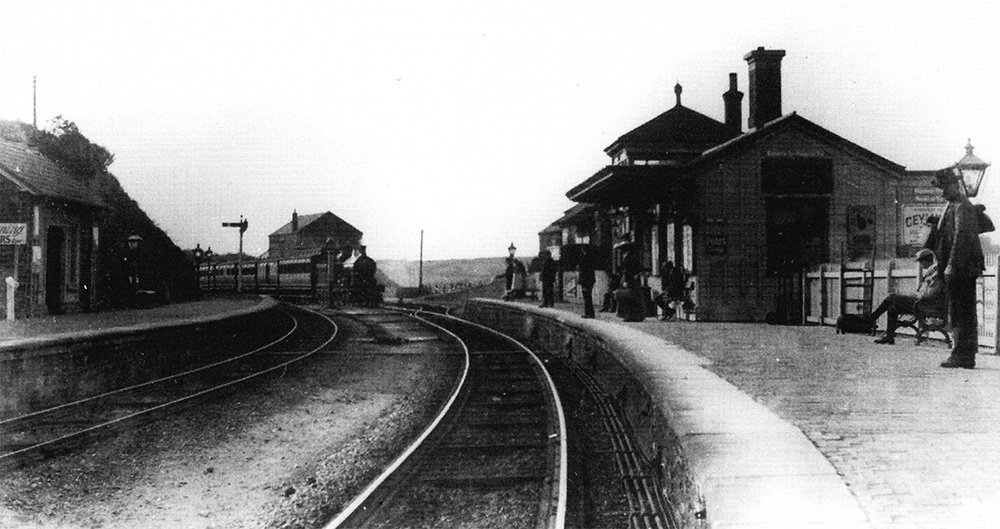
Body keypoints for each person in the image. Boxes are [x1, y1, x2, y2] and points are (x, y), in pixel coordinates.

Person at [926, 167, 985, 369]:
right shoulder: (952, 205)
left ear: (954, 185)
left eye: (944, 187)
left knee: (961, 311)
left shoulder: (962, 206)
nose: (942, 192)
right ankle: (963, 354)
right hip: (957, 267)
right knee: (959, 310)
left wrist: (951, 265)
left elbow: (960, 238)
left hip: (962, 268)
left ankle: (962, 354)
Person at [870, 249, 945, 344]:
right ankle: (889, 336)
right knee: (892, 307)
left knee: (892, 297)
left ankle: (870, 319)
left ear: (926, 260)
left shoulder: (936, 273)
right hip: (923, 302)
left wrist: (916, 295)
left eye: (921, 262)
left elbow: (930, 294)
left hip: (925, 304)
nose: (921, 265)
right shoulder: (932, 272)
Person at [577, 247, 596, 318]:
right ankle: (590, 312)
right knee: (588, 296)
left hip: (586, 281)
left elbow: (584, 270)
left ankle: (588, 313)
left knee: (587, 297)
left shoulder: (585, 259)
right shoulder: (589, 258)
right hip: (589, 280)